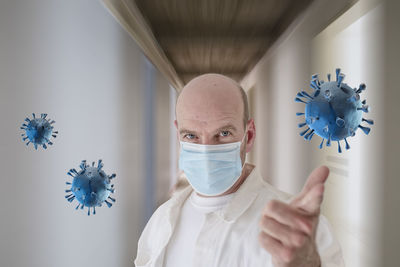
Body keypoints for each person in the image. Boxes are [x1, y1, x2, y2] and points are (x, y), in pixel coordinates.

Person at [135, 73, 344, 267]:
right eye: (191, 136)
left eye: (223, 133)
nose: (207, 150)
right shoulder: (161, 222)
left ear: (249, 136)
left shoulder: (300, 232)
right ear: (178, 135)